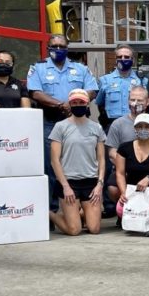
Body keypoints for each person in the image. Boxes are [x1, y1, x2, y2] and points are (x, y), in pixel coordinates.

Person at [28, 34, 98, 212]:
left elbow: (92, 90)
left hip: (78, 123)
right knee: (51, 166)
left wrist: (76, 101)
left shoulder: (80, 68)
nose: (58, 49)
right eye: (54, 46)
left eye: (61, 46)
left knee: (80, 164)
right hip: (51, 123)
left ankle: (78, 208)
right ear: (48, 47)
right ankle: (51, 210)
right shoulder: (38, 68)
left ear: (67, 48)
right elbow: (35, 93)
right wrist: (60, 104)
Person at [47, 89, 106, 236]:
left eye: (81, 102)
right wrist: (65, 186)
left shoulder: (96, 127)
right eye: (75, 102)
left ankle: (79, 213)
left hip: (91, 183)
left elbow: (101, 159)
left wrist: (100, 184)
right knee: (74, 230)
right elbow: (55, 160)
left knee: (94, 229)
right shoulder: (60, 127)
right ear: (70, 104)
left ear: (87, 104)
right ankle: (49, 214)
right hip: (69, 183)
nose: (78, 105)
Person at [104, 86, 149, 208]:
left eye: (139, 100)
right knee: (113, 188)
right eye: (132, 99)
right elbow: (112, 151)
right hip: (126, 169)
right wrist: (127, 164)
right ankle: (126, 208)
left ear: (147, 102)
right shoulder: (117, 124)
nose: (135, 103)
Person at [114, 114, 149, 237]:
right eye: (139, 126)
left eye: (147, 126)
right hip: (134, 191)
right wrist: (124, 192)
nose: (143, 129)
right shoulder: (124, 147)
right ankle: (141, 221)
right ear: (134, 129)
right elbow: (120, 173)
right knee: (119, 210)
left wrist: (148, 178)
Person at [96, 45, 143, 132]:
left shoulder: (141, 81)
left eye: (126, 57)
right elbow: (100, 103)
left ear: (133, 60)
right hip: (111, 125)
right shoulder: (105, 80)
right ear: (115, 59)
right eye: (119, 57)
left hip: (135, 124)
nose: (123, 59)